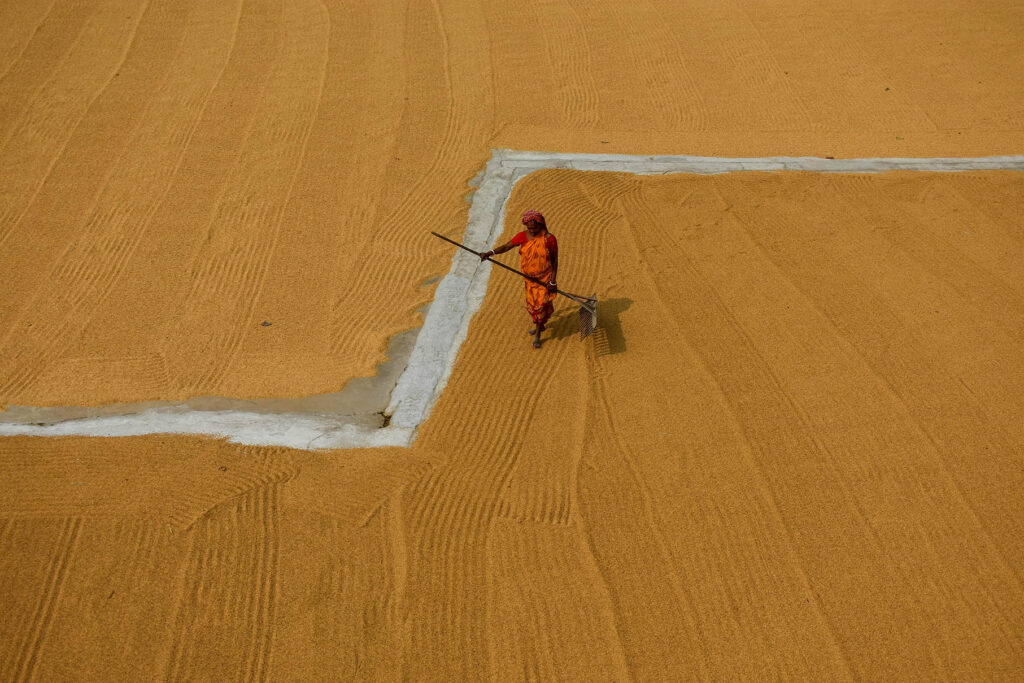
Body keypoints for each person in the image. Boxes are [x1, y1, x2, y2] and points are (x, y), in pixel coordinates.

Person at [480, 210, 558, 348]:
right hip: (529, 280)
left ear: (541, 225)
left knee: (540, 307)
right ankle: (540, 325)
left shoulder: (549, 239)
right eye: (529, 228)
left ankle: (537, 335)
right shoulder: (522, 236)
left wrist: (552, 281)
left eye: (534, 228)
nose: (532, 231)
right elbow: (506, 246)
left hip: (544, 280)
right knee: (533, 306)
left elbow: (554, 261)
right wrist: (490, 253)